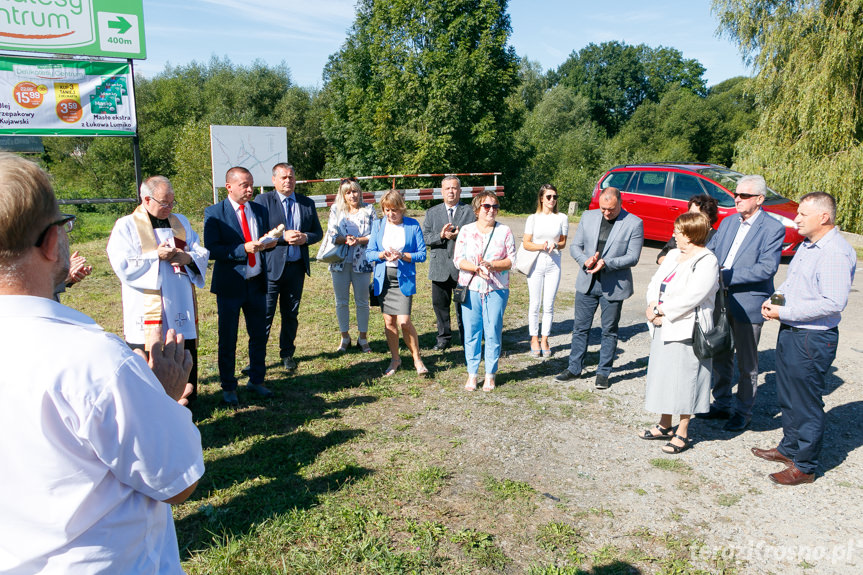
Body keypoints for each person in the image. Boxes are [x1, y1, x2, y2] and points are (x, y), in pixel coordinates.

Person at [0, 152, 203, 572]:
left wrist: (182, 257)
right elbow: (177, 481)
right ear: (53, 241)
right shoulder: (93, 360)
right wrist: (159, 398)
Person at [756, 192, 856, 485]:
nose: (795, 218)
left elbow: (833, 303)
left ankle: (805, 466)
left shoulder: (835, 251)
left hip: (813, 339)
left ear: (823, 217)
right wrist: (774, 301)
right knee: (787, 395)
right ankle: (789, 449)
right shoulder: (809, 245)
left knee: (806, 403)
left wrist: (784, 312)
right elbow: (793, 281)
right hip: (792, 331)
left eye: (802, 214)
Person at [107, 175, 209, 401]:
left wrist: (187, 257)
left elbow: (199, 250)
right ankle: (150, 403)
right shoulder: (126, 225)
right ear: (146, 199)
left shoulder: (180, 221)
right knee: (148, 353)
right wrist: (156, 256)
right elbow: (122, 264)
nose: (169, 208)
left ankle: (187, 400)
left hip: (179, 300)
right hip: (146, 304)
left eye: (172, 202)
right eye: (164, 203)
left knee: (183, 347)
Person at [701, 175, 785, 431]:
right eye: (736, 195)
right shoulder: (727, 223)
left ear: (759, 199)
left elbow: (767, 269)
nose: (737, 199)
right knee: (720, 354)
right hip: (721, 299)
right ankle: (722, 403)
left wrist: (726, 275)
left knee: (747, 363)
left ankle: (743, 412)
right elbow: (711, 253)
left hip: (749, 303)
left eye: (744, 195)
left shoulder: (772, 228)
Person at [640, 212, 719, 454]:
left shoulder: (707, 261)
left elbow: (693, 296)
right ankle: (665, 424)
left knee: (686, 381)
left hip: (687, 329)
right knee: (664, 376)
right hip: (663, 324)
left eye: (679, 231)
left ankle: (683, 431)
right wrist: (652, 305)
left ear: (691, 235)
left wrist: (662, 310)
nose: (674, 234)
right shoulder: (674, 254)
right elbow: (655, 282)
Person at [555, 187, 644, 389]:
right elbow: (575, 247)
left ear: (621, 203)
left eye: (611, 209)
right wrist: (585, 261)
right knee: (580, 327)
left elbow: (633, 256)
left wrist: (607, 262)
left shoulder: (634, 223)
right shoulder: (588, 216)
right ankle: (574, 368)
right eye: (603, 208)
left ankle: (603, 372)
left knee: (609, 330)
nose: (606, 213)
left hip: (613, 285)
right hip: (587, 282)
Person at [204, 166, 274, 406]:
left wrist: (269, 243)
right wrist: (240, 250)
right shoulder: (215, 212)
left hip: (256, 282)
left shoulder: (259, 210)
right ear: (229, 186)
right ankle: (228, 385)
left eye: (251, 184)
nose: (249, 189)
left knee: (258, 335)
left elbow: (262, 240)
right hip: (230, 285)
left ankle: (257, 379)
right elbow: (211, 249)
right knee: (228, 337)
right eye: (244, 185)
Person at [254, 163, 323, 372]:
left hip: (296, 269)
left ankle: (287, 354)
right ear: (274, 180)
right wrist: (282, 237)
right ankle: (257, 359)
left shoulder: (306, 203)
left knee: (290, 314)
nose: (288, 181)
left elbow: (317, 233)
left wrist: (305, 238)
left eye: (291, 177)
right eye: (283, 177)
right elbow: (257, 233)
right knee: (264, 314)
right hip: (271, 269)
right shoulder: (263, 201)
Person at [453, 191, 516, 391]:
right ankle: (472, 373)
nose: (491, 210)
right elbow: (458, 259)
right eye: (486, 206)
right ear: (477, 209)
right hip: (471, 287)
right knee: (471, 332)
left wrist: (493, 265)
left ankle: (490, 374)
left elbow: (512, 260)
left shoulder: (504, 231)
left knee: (493, 331)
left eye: (495, 206)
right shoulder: (465, 230)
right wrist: (475, 268)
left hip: (496, 288)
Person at [366, 190, 428, 376]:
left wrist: (403, 255)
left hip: (403, 278)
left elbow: (422, 254)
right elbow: (369, 253)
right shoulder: (377, 225)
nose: (390, 214)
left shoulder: (412, 225)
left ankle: (417, 358)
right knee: (389, 321)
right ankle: (395, 359)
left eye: (394, 210)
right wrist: (381, 254)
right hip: (383, 278)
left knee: (404, 321)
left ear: (402, 208)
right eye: (386, 210)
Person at [422, 175, 476, 350]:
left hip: (462, 269)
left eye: (454, 188)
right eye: (447, 188)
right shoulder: (432, 212)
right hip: (439, 268)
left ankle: (465, 337)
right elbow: (424, 237)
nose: (451, 192)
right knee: (440, 305)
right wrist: (441, 236)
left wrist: (460, 236)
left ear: (460, 191)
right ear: (442, 192)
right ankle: (443, 338)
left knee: (464, 305)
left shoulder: (470, 212)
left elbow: (477, 236)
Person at [521, 184, 569, 358]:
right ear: (541, 198)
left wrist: (555, 244)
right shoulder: (533, 218)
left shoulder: (562, 218)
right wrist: (541, 246)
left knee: (549, 304)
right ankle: (533, 337)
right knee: (535, 303)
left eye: (555, 197)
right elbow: (526, 242)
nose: (552, 200)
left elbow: (563, 242)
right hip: (536, 263)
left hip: (554, 264)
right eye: (549, 197)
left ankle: (545, 338)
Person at [328, 178, 375, 352]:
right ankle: (344, 337)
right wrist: (345, 239)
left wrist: (359, 240)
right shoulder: (336, 209)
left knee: (362, 301)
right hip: (339, 262)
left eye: (355, 191)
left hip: (362, 262)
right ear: (343, 194)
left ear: (360, 192)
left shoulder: (368, 209)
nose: (352, 195)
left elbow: (374, 234)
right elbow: (332, 234)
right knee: (341, 301)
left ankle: (363, 338)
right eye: (348, 192)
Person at [656, 194, 719, 264]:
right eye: (690, 212)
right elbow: (661, 257)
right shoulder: (682, 232)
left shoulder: (715, 237)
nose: (689, 216)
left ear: (708, 218)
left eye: (695, 214)